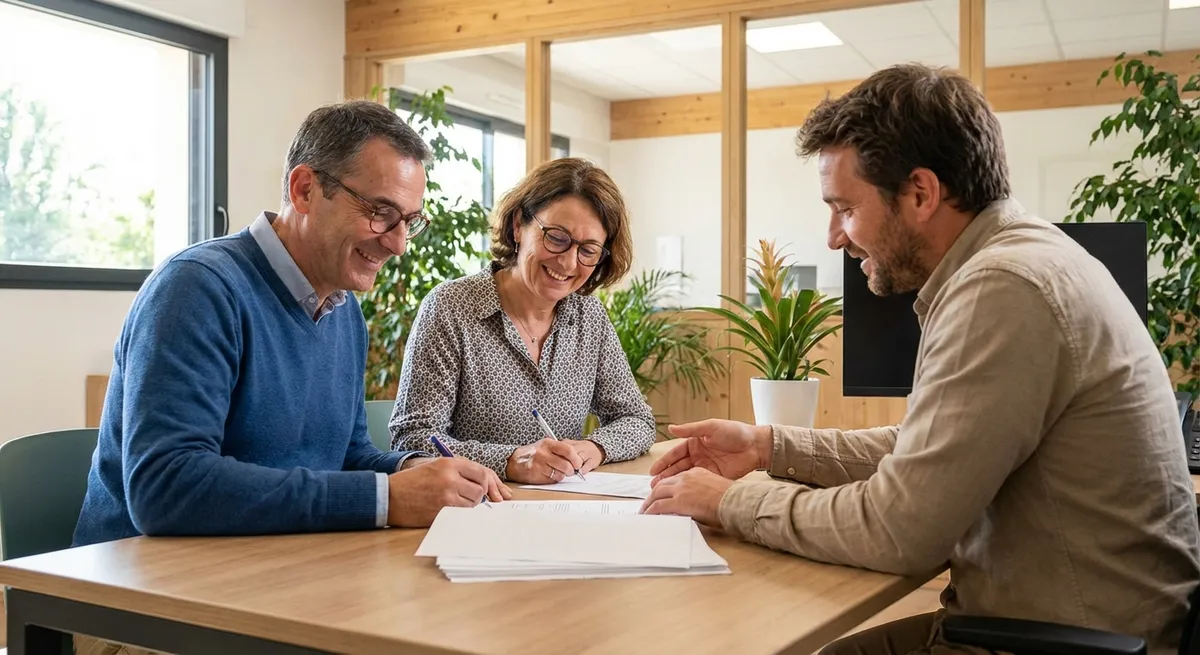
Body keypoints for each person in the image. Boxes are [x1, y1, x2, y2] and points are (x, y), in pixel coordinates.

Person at [641, 64, 1200, 654]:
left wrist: (730, 501)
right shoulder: (1024, 259)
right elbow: (929, 448)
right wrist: (768, 447)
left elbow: (897, 529)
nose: (834, 236)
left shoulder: (1003, 287)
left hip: (1060, 643)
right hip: (1077, 628)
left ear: (920, 194)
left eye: (845, 208)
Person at [74, 100, 510, 553]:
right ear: (304, 189)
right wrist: (385, 499)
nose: (398, 244)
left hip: (271, 564)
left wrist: (412, 470)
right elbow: (166, 487)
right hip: (138, 586)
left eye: (409, 222)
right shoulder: (197, 288)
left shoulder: (344, 313)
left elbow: (346, 457)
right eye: (381, 213)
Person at [389, 157, 655, 484]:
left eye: (588, 250)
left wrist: (595, 447)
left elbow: (636, 420)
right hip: (473, 511)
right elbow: (413, 440)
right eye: (556, 238)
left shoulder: (590, 318)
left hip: (560, 508)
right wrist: (512, 461)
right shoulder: (452, 307)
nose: (569, 262)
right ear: (518, 225)